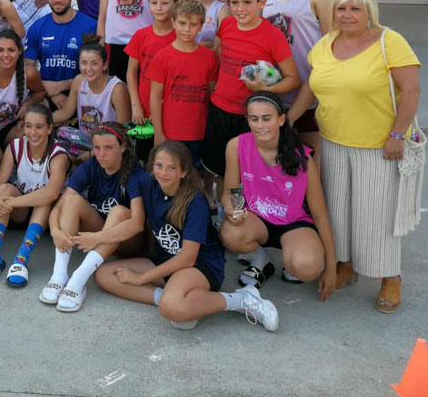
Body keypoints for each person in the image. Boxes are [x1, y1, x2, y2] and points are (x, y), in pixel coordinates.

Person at [287, 0, 420, 314]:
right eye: (341, 9)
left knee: (376, 215)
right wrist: (289, 119)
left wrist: (397, 135)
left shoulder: (390, 42)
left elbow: (411, 90)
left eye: (355, 8)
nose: (347, 15)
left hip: (378, 145)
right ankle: (345, 264)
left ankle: (389, 276)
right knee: (339, 210)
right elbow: (311, 86)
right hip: (333, 140)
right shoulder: (325, 44)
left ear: (369, 12)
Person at [95, 143, 280, 332]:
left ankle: (242, 299)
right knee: (104, 274)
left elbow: (187, 258)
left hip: (199, 265)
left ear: (183, 172)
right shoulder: (148, 183)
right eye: (158, 165)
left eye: (171, 168)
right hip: (164, 258)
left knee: (170, 307)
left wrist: (141, 278)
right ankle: (182, 304)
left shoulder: (195, 201)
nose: (163, 173)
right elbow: (120, 173)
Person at [220, 93, 336, 295]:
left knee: (306, 267)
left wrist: (331, 268)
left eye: (267, 118)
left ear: (281, 119)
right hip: (256, 219)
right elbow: (232, 189)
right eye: (254, 119)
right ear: (247, 120)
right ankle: (260, 258)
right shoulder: (236, 145)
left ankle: (292, 261)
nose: (260, 125)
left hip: (293, 223)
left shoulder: (303, 158)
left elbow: (320, 215)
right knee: (230, 234)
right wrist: (234, 209)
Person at [203, 0, 300, 184]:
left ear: (261, 3)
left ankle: (246, 205)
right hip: (219, 109)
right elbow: (217, 56)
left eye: (247, 2)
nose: (240, 9)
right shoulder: (226, 24)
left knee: (247, 173)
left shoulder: (273, 36)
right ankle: (220, 204)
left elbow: (293, 79)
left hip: (250, 116)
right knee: (217, 169)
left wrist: (264, 88)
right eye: (235, 3)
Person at [41, 122, 147, 311]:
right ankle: (59, 274)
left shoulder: (136, 174)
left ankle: (78, 280)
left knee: (119, 211)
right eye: (97, 148)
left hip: (130, 242)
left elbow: (137, 224)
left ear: (123, 147)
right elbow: (60, 205)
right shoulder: (90, 166)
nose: (101, 154)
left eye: (109, 148)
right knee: (71, 200)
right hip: (102, 234)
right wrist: (55, 230)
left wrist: (97, 238)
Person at [0, 104, 70, 286]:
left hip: (46, 217)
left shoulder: (58, 154)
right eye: (28, 126)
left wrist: (9, 203)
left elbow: (52, 193)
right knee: (3, 190)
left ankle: (21, 259)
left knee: (44, 199)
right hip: (21, 211)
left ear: (49, 128)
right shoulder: (15, 146)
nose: (33, 132)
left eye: (39, 127)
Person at [262, 0, 332, 146]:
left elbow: (331, 50)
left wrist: (294, 113)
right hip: (275, 97)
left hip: (311, 99)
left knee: (312, 161)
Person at [148, 0, 220, 165]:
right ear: (173, 23)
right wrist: (158, 133)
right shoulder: (162, 57)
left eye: (193, 24)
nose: (187, 29)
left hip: (199, 131)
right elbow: (155, 97)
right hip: (171, 132)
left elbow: (212, 93)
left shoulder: (209, 57)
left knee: (195, 173)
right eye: (182, 23)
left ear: (201, 26)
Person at [24, 0, 96, 108]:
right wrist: (50, 92)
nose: (57, 0)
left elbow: (98, 72)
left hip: (84, 96)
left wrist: (59, 86)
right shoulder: (37, 27)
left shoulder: (90, 26)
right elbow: (27, 70)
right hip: (46, 95)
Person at [125, 0, 178, 140]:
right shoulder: (140, 35)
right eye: (154, 3)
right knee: (145, 152)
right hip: (143, 110)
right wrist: (135, 105)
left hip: (170, 109)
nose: (159, 8)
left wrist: (160, 107)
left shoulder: (180, 37)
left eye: (165, 3)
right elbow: (131, 73)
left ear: (175, 4)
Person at [52, 37, 131, 131]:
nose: (88, 69)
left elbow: (123, 130)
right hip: (84, 140)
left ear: (104, 65)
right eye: (84, 63)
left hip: (109, 140)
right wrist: (41, 118)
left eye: (94, 63)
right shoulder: (79, 81)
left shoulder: (117, 89)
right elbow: (65, 112)